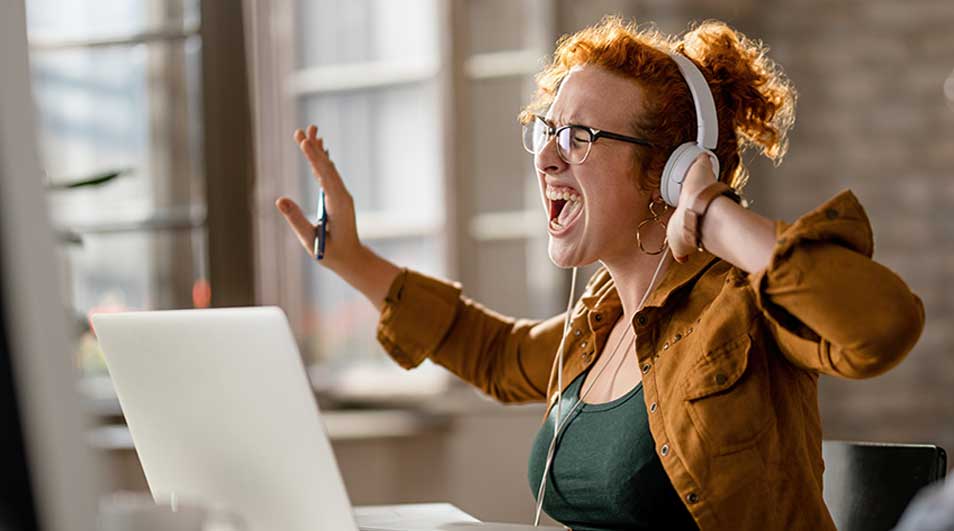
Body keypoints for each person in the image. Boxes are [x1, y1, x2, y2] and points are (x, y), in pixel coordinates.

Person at [274, 16, 924, 531]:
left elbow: (881, 324)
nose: (549, 157)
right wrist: (352, 260)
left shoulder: (741, 305)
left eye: (580, 136)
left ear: (665, 172)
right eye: (548, 130)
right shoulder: (598, 323)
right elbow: (495, 353)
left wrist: (710, 209)